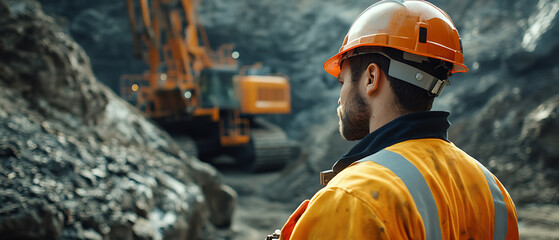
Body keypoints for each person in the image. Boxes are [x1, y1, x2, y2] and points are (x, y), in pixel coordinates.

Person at [277, 0, 519, 239]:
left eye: (343, 82)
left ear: (371, 78)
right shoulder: (494, 192)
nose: (340, 99)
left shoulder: (352, 196)